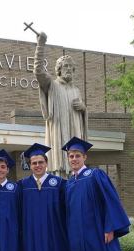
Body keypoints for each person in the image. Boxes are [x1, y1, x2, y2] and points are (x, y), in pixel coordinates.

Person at [34, 31, 88, 174]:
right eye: (65, 66)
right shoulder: (52, 85)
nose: (69, 69)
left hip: (74, 133)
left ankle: (75, 170)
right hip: (58, 134)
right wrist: (40, 45)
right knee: (59, 168)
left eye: (71, 67)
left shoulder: (76, 90)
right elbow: (38, 72)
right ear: (59, 69)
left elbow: (82, 115)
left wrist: (83, 109)